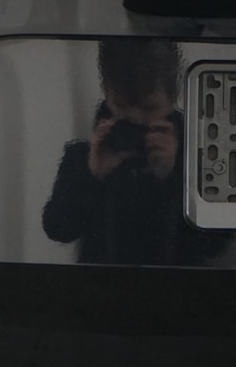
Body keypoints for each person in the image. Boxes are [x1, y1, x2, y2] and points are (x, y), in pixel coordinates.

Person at [43, 38, 224, 265]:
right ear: (106, 92)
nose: (137, 119)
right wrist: (92, 176)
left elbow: (216, 244)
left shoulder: (198, 159)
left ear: (173, 96)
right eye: (121, 106)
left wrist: (173, 177)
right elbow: (58, 229)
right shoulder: (82, 158)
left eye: (149, 108)